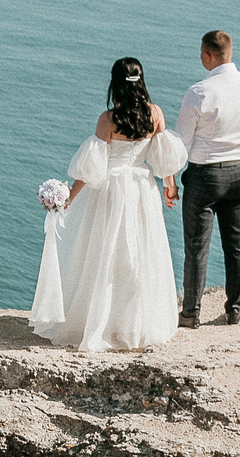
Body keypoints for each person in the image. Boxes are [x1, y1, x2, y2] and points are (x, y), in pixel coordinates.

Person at [29, 57, 188, 352]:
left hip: (113, 191)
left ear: (115, 84)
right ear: (141, 81)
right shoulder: (155, 114)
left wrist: (67, 199)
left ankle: (101, 322)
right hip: (142, 189)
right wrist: (170, 188)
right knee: (140, 254)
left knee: (105, 254)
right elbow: (165, 159)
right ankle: (135, 325)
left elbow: (91, 169)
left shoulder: (109, 119)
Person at [174, 30, 240, 327]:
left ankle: (191, 313)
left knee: (196, 246)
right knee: (237, 243)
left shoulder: (200, 92)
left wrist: (171, 178)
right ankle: (235, 309)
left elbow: (182, 144)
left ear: (207, 56)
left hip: (204, 176)